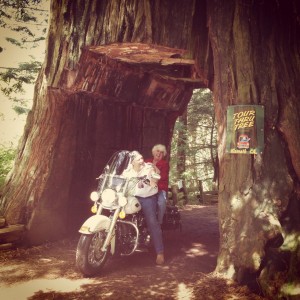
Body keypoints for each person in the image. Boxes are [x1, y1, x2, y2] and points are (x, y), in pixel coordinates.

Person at [123, 151, 165, 265]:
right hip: (132, 197)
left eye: (142, 158)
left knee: (152, 222)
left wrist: (153, 179)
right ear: (132, 162)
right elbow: (121, 181)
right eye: (139, 159)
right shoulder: (127, 171)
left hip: (147, 197)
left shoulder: (148, 167)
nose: (142, 161)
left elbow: (155, 175)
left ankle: (160, 252)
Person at [145, 144, 169, 226]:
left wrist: (154, 167)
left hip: (160, 188)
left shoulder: (164, 164)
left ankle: (159, 222)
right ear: (153, 152)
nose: (159, 153)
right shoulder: (146, 161)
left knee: (161, 203)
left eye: (162, 152)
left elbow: (163, 177)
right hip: (146, 188)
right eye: (157, 151)